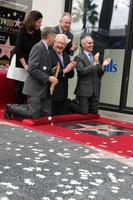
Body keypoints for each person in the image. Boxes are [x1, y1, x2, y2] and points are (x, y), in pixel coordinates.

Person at [4, 27, 58, 119]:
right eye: (55, 36)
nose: (55, 39)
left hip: (43, 88)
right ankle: (10, 108)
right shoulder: (38, 47)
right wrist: (48, 78)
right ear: (50, 36)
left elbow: (42, 67)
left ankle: (16, 111)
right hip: (35, 88)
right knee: (33, 113)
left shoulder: (47, 48)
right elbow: (32, 68)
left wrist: (51, 71)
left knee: (46, 115)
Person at [71, 35, 110, 114]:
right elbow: (82, 71)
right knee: (83, 112)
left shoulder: (94, 57)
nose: (92, 45)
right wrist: (94, 63)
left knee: (94, 113)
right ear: (83, 45)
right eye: (89, 43)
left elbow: (100, 73)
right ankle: (70, 105)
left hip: (95, 91)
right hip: (84, 90)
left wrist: (104, 65)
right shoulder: (78, 58)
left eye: (92, 43)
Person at [14, 10, 43, 104]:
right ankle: (17, 107)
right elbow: (19, 51)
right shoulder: (22, 31)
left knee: (30, 87)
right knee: (20, 88)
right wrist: (25, 66)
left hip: (32, 63)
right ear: (32, 21)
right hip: (21, 62)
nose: (40, 24)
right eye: (39, 22)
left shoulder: (38, 32)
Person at [49, 34, 77, 115]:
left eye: (63, 44)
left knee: (61, 118)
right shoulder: (49, 54)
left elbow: (70, 75)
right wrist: (65, 70)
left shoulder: (66, 56)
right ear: (54, 43)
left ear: (65, 46)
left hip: (64, 93)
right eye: (58, 42)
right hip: (52, 93)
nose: (60, 45)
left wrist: (71, 68)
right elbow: (51, 72)